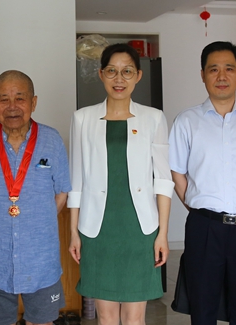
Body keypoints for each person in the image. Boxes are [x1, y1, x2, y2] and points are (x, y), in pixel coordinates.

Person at [168, 41, 236, 325]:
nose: (221, 76)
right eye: (213, 69)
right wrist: (199, 206)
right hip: (204, 228)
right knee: (202, 310)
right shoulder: (187, 121)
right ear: (203, 74)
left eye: (229, 68)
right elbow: (177, 174)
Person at [68, 43, 173, 325]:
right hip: (98, 229)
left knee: (135, 317)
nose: (119, 79)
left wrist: (162, 234)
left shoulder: (153, 118)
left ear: (138, 75)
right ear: (101, 74)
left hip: (139, 229)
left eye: (127, 71)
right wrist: (74, 232)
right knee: (105, 316)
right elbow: (76, 180)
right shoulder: (82, 118)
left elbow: (163, 181)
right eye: (112, 71)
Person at [0, 70, 71, 325]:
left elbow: (62, 191)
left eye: (20, 98)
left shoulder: (52, 141)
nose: (12, 107)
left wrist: (36, 219)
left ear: (33, 102)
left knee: (42, 322)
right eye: (4, 99)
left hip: (41, 256)